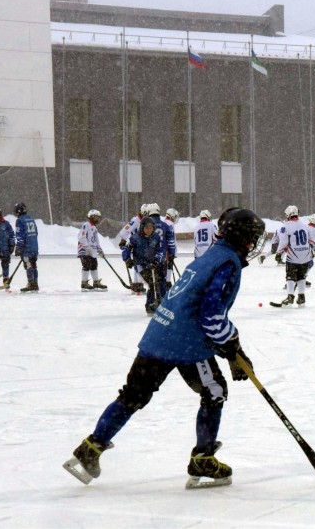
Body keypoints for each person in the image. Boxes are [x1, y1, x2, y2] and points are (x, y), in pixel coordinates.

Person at [64, 208, 265, 488]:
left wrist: (230, 349)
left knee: (133, 395)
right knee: (215, 391)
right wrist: (233, 347)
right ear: (243, 238)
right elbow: (211, 316)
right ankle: (203, 459)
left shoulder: (211, 255)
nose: (255, 243)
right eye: (253, 237)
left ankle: (91, 447)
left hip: (158, 334)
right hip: (185, 342)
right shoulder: (227, 262)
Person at [275, 205, 315, 307]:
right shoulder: (305, 226)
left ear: (288, 214)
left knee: (290, 277)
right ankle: (301, 297)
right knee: (301, 276)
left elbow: (283, 242)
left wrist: (278, 253)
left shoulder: (286, 226)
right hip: (306, 256)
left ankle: (290, 297)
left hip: (293, 257)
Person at [123, 217, 164, 315]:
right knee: (151, 282)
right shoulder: (135, 238)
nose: (149, 230)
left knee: (157, 281)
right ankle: (149, 306)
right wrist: (127, 259)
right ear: (142, 228)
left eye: (150, 228)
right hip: (140, 264)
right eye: (146, 228)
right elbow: (126, 249)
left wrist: (157, 260)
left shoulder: (156, 237)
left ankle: (158, 302)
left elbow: (160, 251)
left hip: (152, 263)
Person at [147, 203, 178, 303]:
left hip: (150, 257)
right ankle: (163, 302)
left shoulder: (146, 225)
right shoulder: (165, 225)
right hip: (162, 257)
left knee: (151, 282)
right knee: (162, 280)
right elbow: (171, 241)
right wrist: (172, 253)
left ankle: (150, 303)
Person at [118, 204, 148, 293]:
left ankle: (138, 284)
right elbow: (125, 230)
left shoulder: (144, 221)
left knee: (140, 264)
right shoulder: (136, 220)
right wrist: (123, 240)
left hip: (142, 246)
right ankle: (137, 284)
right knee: (139, 264)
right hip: (136, 246)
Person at [13, 203, 40, 293]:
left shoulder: (20, 220)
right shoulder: (31, 219)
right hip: (34, 246)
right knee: (34, 264)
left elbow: (20, 235)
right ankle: (35, 283)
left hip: (27, 247)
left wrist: (19, 247)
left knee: (28, 265)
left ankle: (31, 283)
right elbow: (36, 232)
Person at [77, 209, 107, 291]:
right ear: (92, 216)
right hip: (84, 250)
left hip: (92, 251)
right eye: (97, 217)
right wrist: (86, 247)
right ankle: (84, 283)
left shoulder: (94, 227)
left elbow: (96, 241)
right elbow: (81, 237)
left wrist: (99, 249)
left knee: (94, 265)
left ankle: (96, 282)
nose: (98, 219)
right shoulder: (86, 225)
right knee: (86, 265)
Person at [164, 208, 180, 288]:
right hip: (168, 251)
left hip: (162, 250)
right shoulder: (170, 224)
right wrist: (172, 252)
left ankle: (165, 282)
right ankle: (167, 282)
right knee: (169, 266)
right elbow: (171, 239)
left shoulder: (163, 222)